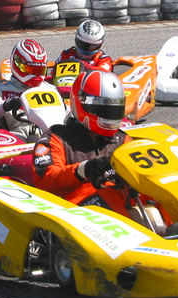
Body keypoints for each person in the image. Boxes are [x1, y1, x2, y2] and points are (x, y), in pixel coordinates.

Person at [31, 69, 131, 216]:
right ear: (83, 104)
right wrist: (83, 170)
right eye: (105, 109)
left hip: (123, 202)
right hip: (76, 211)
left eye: (114, 109)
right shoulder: (57, 139)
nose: (110, 115)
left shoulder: (122, 139)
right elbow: (45, 178)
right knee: (107, 195)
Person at [0, 38, 48, 140]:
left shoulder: (48, 88)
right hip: (17, 133)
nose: (36, 74)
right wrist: (6, 105)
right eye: (31, 69)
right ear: (17, 64)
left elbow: (65, 113)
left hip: (46, 131)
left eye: (39, 70)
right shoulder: (0, 89)